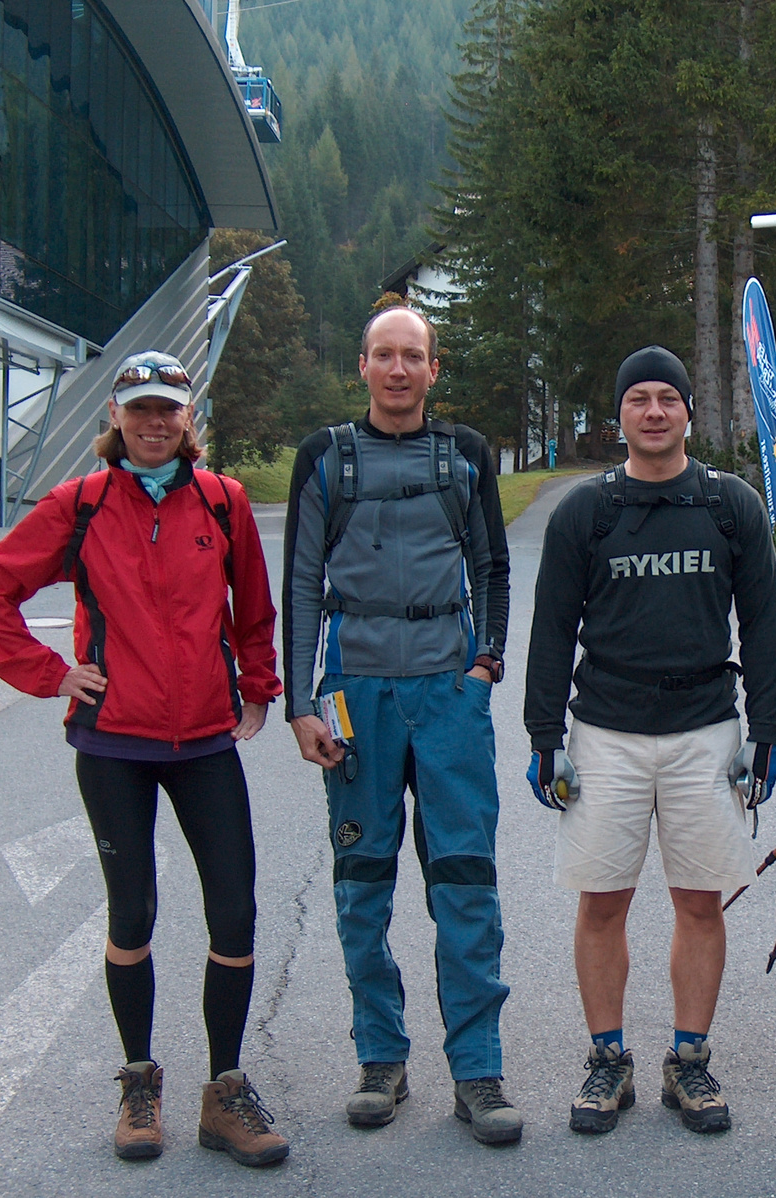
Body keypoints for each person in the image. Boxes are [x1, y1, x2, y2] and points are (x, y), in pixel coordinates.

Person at [0, 351, 288, 1167]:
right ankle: (140, 1083)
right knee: (132, 915)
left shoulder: (224, 501)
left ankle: (225, 1091)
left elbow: (253, 604)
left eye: (166, 411)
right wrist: (49, 673)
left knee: (236, 913)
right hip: (114, 743)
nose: (153, 424)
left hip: (206, 740)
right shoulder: (79, 505)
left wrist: (256, 686)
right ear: (115, 416)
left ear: (188, 419)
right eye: (138, 410)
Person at [524, 346, 776, 1136]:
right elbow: (550, 630)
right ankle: (608, 1062)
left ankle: (690, 1061)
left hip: (705, 730)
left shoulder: (729, 505)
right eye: (638, 398)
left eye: (667, 398)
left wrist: (765, 731)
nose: (653, 411)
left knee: (700, 903)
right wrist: (545, 736)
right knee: (603, 903)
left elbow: (765, 626)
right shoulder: (585, 510)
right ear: (621, 415)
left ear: (687, 413)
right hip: (605, 733)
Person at [280, 305, 518, 1145]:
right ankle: (380, 1058)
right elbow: (303, 583)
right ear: (362, 365)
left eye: (412, 356)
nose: (397, 370)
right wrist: (301, 703)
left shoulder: (465, 455)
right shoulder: (325, 459)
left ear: (432, 368)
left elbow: (492, 564)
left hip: (448, 695)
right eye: (383, 354)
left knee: (465, 882)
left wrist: (485, 664)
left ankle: (478, 1072)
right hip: (356, 694)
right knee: (360, 887)